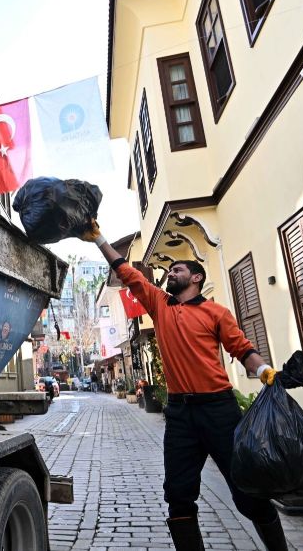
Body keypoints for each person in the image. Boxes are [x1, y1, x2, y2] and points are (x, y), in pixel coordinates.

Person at [82, 219, 287, 551]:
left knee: (248, 494)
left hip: (219, 410)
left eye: (176, 269)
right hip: (180, 415)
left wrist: (265, 372)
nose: (169, 274)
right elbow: (128, 274)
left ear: (196, 278)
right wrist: (98, 239)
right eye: (170, 271)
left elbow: (242, 349)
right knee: (178, 496)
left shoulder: (216, 313)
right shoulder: (161, 306)